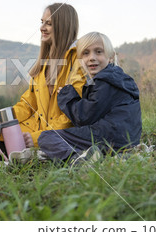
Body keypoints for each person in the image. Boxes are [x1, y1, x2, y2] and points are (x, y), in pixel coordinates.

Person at [0, 3, 85, 160]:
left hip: (52, 136)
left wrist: (37, 138)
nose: (42, 28)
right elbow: (27, 104)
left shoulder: (78, 61)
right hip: (31, 128)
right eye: (42, 22)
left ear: (63, 26)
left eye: (49, 23)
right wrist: (1, 121)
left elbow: (71, 116)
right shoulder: (44, 63)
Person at [38, 32, 142, 162]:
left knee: (47, 137)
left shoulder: (106, 82)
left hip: (110, 137)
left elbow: (83, 117)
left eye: (98, 52)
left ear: (110, 57)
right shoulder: (116, 78)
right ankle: (90, 154)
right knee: (66, 137)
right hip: (127, 137)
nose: (92, 58)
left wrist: (67, 96)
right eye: (85, 53)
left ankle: (75, 159)